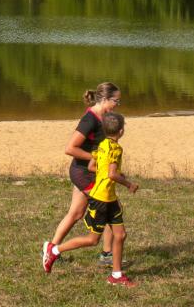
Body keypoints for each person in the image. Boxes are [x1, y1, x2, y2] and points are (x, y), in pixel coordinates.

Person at [43, 112, 139, 287]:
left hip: (110, 198)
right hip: (101, 199)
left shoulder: (101, 145)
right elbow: (111, 174)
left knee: (120, 235)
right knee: (92, 240)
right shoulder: (116, 149)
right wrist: (128, 183)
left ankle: (116, 276)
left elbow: (91, 166)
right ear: (121, 131)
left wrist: (112, 174)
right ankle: (54, 250)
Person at [44, 82, 120, 268]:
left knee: (76, 213)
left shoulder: (105, 117)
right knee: (110, 208)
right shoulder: (90, 120)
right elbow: (70, 148)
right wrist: (97, 157)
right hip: (83, 173)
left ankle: (50, 249)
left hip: (90, 171)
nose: (118, 105)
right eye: (116, 101)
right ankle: (107, 254)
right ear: (104, 99)